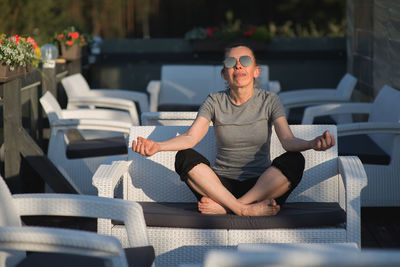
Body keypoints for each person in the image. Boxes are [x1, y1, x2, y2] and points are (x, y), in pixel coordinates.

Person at [132, 43, 335, 216]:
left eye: (245, 61)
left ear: (256, 71)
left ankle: (230, 208)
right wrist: (157, 146)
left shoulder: (270, 100)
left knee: (295, 159)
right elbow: (190, 137)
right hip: (220, 187)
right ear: (224, 74)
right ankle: (243, 209)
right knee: (184, 157)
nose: (238, 65)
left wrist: (311, 144)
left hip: (261, 186)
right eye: (231, 62)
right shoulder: (214, 101)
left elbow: (288, 141)